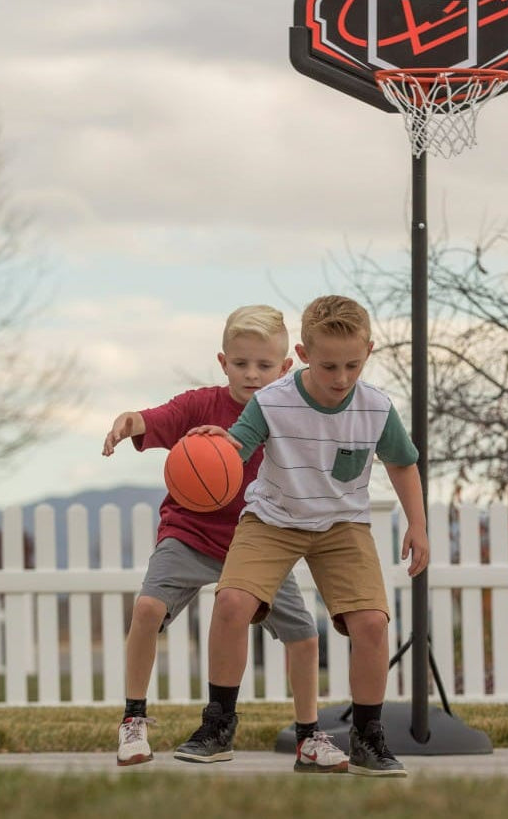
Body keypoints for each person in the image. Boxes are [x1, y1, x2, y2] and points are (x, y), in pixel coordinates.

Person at [179, 294, 430, 777]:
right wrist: (218, 445)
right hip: (273, 518)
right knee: (230, 602)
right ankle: (217, 727)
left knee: (373, 623)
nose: (341, 378)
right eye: (329, 365)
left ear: (369, 351)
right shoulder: (273, 401)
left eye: (352, 365)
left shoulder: (376, 408)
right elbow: (237, 446)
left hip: (341, 525)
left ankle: (368, 738)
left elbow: (402, 462)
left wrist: (417, 526)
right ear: (305, 353)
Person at [101, 304, 348, 773]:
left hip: (258, 542)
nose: (252, 374)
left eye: (264, 365)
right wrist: (126, 422)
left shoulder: (287, 415)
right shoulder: (201, 405)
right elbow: (151, 418)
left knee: (303, 636)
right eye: (241, 364)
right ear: (223, 362)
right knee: (147, 609)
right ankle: (133, 720)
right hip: (190, 532)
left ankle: (309, 736)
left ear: (285, 367)